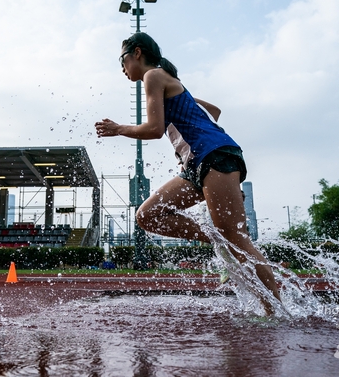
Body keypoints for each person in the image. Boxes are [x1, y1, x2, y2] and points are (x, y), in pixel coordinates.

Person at [95, 32, 281, 311]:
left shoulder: (153, 75)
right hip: (195, 165)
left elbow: (154, 129)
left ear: (137, 53)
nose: (121, 67)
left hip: (215, 157)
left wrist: (118, 128)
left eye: (121, 60)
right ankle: (217, 239)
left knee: (238, 238)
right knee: (147, 215)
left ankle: (275, 310)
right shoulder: (169, 86)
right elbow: (214, 111)